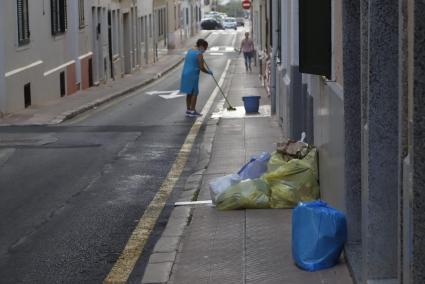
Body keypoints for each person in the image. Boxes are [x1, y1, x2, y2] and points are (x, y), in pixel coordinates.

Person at [180, 38, 213, 117]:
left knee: (189, 92)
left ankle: (188, 110)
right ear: (201, 46)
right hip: (193, 75)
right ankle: (193, 110)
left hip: (185, 73)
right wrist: (208, 72)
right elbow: (201, 67)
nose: (205, 50)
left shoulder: (190, 50)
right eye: (205, 48)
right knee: (195, 92)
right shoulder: (199, 54)